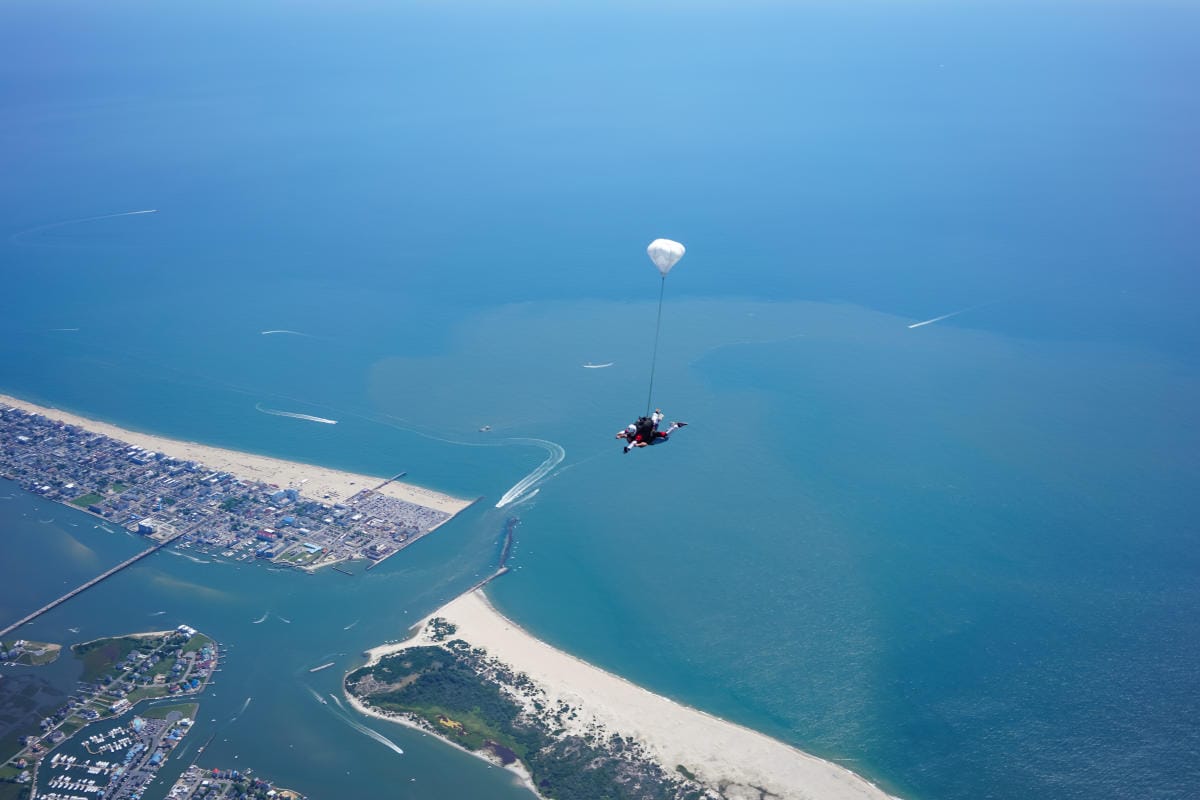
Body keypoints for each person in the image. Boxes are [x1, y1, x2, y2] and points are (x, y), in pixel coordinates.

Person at [616, 409, 686, 453]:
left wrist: (632, 446)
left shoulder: (637, 436)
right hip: (651, 432)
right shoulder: (636, 427)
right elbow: (625, 433)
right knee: (656, 424)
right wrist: (656, 413)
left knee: (665, 437)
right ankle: (669, 423)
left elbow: (642, 443)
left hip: (652, 438)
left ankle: (676, 426)